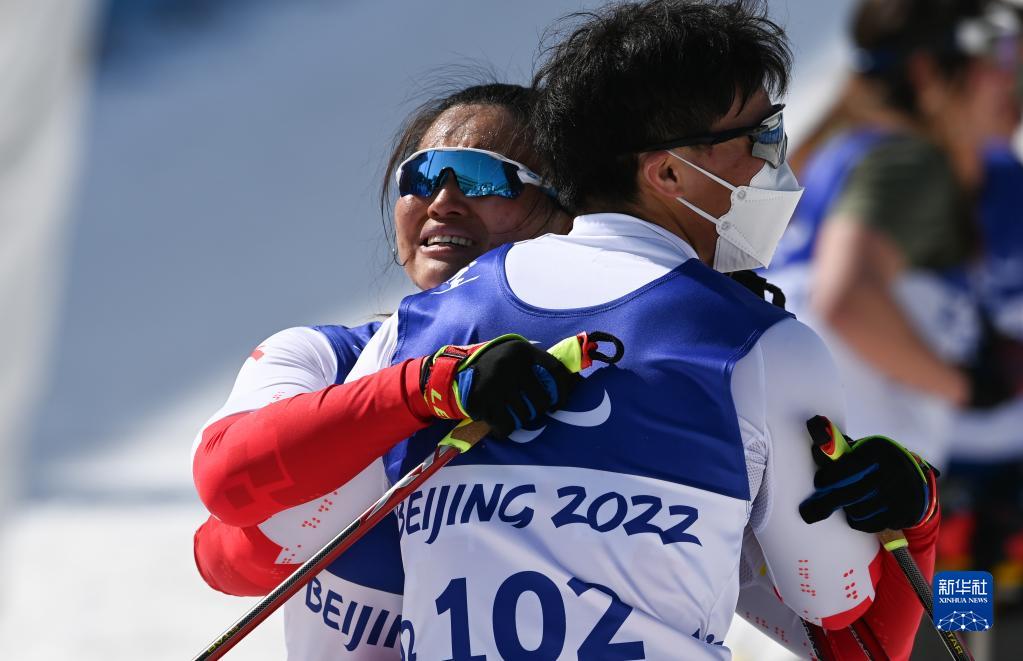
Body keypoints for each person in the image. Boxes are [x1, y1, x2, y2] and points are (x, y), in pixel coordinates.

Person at [341, 1, 939, 658]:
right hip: (963, 534)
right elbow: (844, 617)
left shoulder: (418, 325)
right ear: (668, 173)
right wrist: (923, 513)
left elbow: (267, 544)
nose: (777, 160)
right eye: (761, 137)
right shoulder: (762, 339)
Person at [190, 82, 576, 659]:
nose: (442, 201)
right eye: (421, 177)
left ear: (566, 214)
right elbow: (224, 518)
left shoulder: (607, 365)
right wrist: (431, 389)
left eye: (482, 177)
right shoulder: (329, 358)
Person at [771, 0, 1021, 469]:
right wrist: (972, 387)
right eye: (997, 52)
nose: (1009, 75)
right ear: (927, 72)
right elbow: (847, 301)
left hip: (804, 458)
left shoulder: (846, 152)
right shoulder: (911, 164)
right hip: (850, 471)